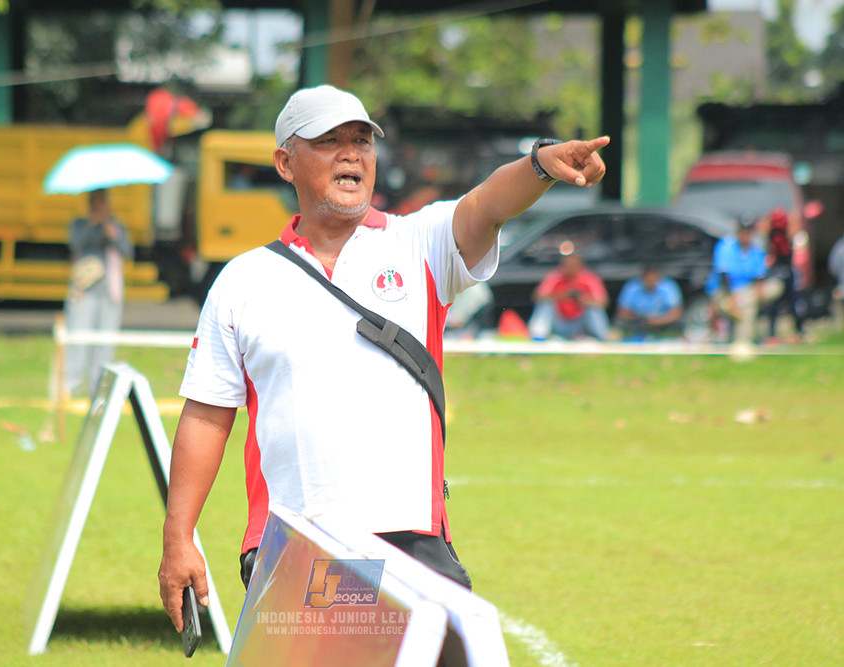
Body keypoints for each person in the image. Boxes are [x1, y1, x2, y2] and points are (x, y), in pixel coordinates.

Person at [157, 84, 609, 632]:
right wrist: (178, 539)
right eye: (330, 141)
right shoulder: (243, 281)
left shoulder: (419, 242)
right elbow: (207, 416)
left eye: (362, 141)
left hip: (411, 539)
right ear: (285, 162)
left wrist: (539, 163)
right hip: (296, 542)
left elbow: (487, 203)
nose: (352, 154)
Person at [63, 188, 133, 397]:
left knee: (105, 342)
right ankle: (70, 386)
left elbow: (128, 252)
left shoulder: (116, 226)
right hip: (85, 291)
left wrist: (113, 234)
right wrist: (94, 224)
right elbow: (76, 245)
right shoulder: (79, 224)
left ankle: (99, 389)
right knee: (79, 337)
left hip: (109, 292)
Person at [706, 216, 782, 345]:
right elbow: (724, 276)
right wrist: (733, 298)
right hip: (725, 292)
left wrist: (759, 292)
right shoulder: (726, 246)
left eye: (748, 232)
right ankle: (743, 341)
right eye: (743, 231)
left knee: (775, 286)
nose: (745, 235)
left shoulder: (757, 250)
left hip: (747, 293)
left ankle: (742, 340)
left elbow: (759, 276)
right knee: (747, 308)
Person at [527, 253, 610, 341]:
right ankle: (537, 338)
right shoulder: (554, 276)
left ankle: (603, 338)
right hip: (559, 321)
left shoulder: (590, 278)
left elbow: (604, 302)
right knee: (545, 305)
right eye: (567, 265)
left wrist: (584, 299)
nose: (570, 268)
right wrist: (561, 296)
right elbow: (537, 297)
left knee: (594, 309)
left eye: (573, 265)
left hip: (580, 322)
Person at [762, 207, 805, 342]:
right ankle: (772, 334)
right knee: (774, 304)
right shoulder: (770, 236)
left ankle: (798, 332)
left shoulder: (789, 234)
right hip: (776, 271)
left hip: (787, 269)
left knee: (793, 302)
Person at [614, 264, 683, 341]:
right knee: (619, 323)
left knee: (679, 323)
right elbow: (622, 311)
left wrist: (657, 321)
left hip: (661, 319)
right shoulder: (632, 287)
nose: (650, 282)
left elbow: (676, 312)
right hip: (639, 319)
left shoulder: (668, 287)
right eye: (647, 280)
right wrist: (639, 318)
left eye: (653, 280)